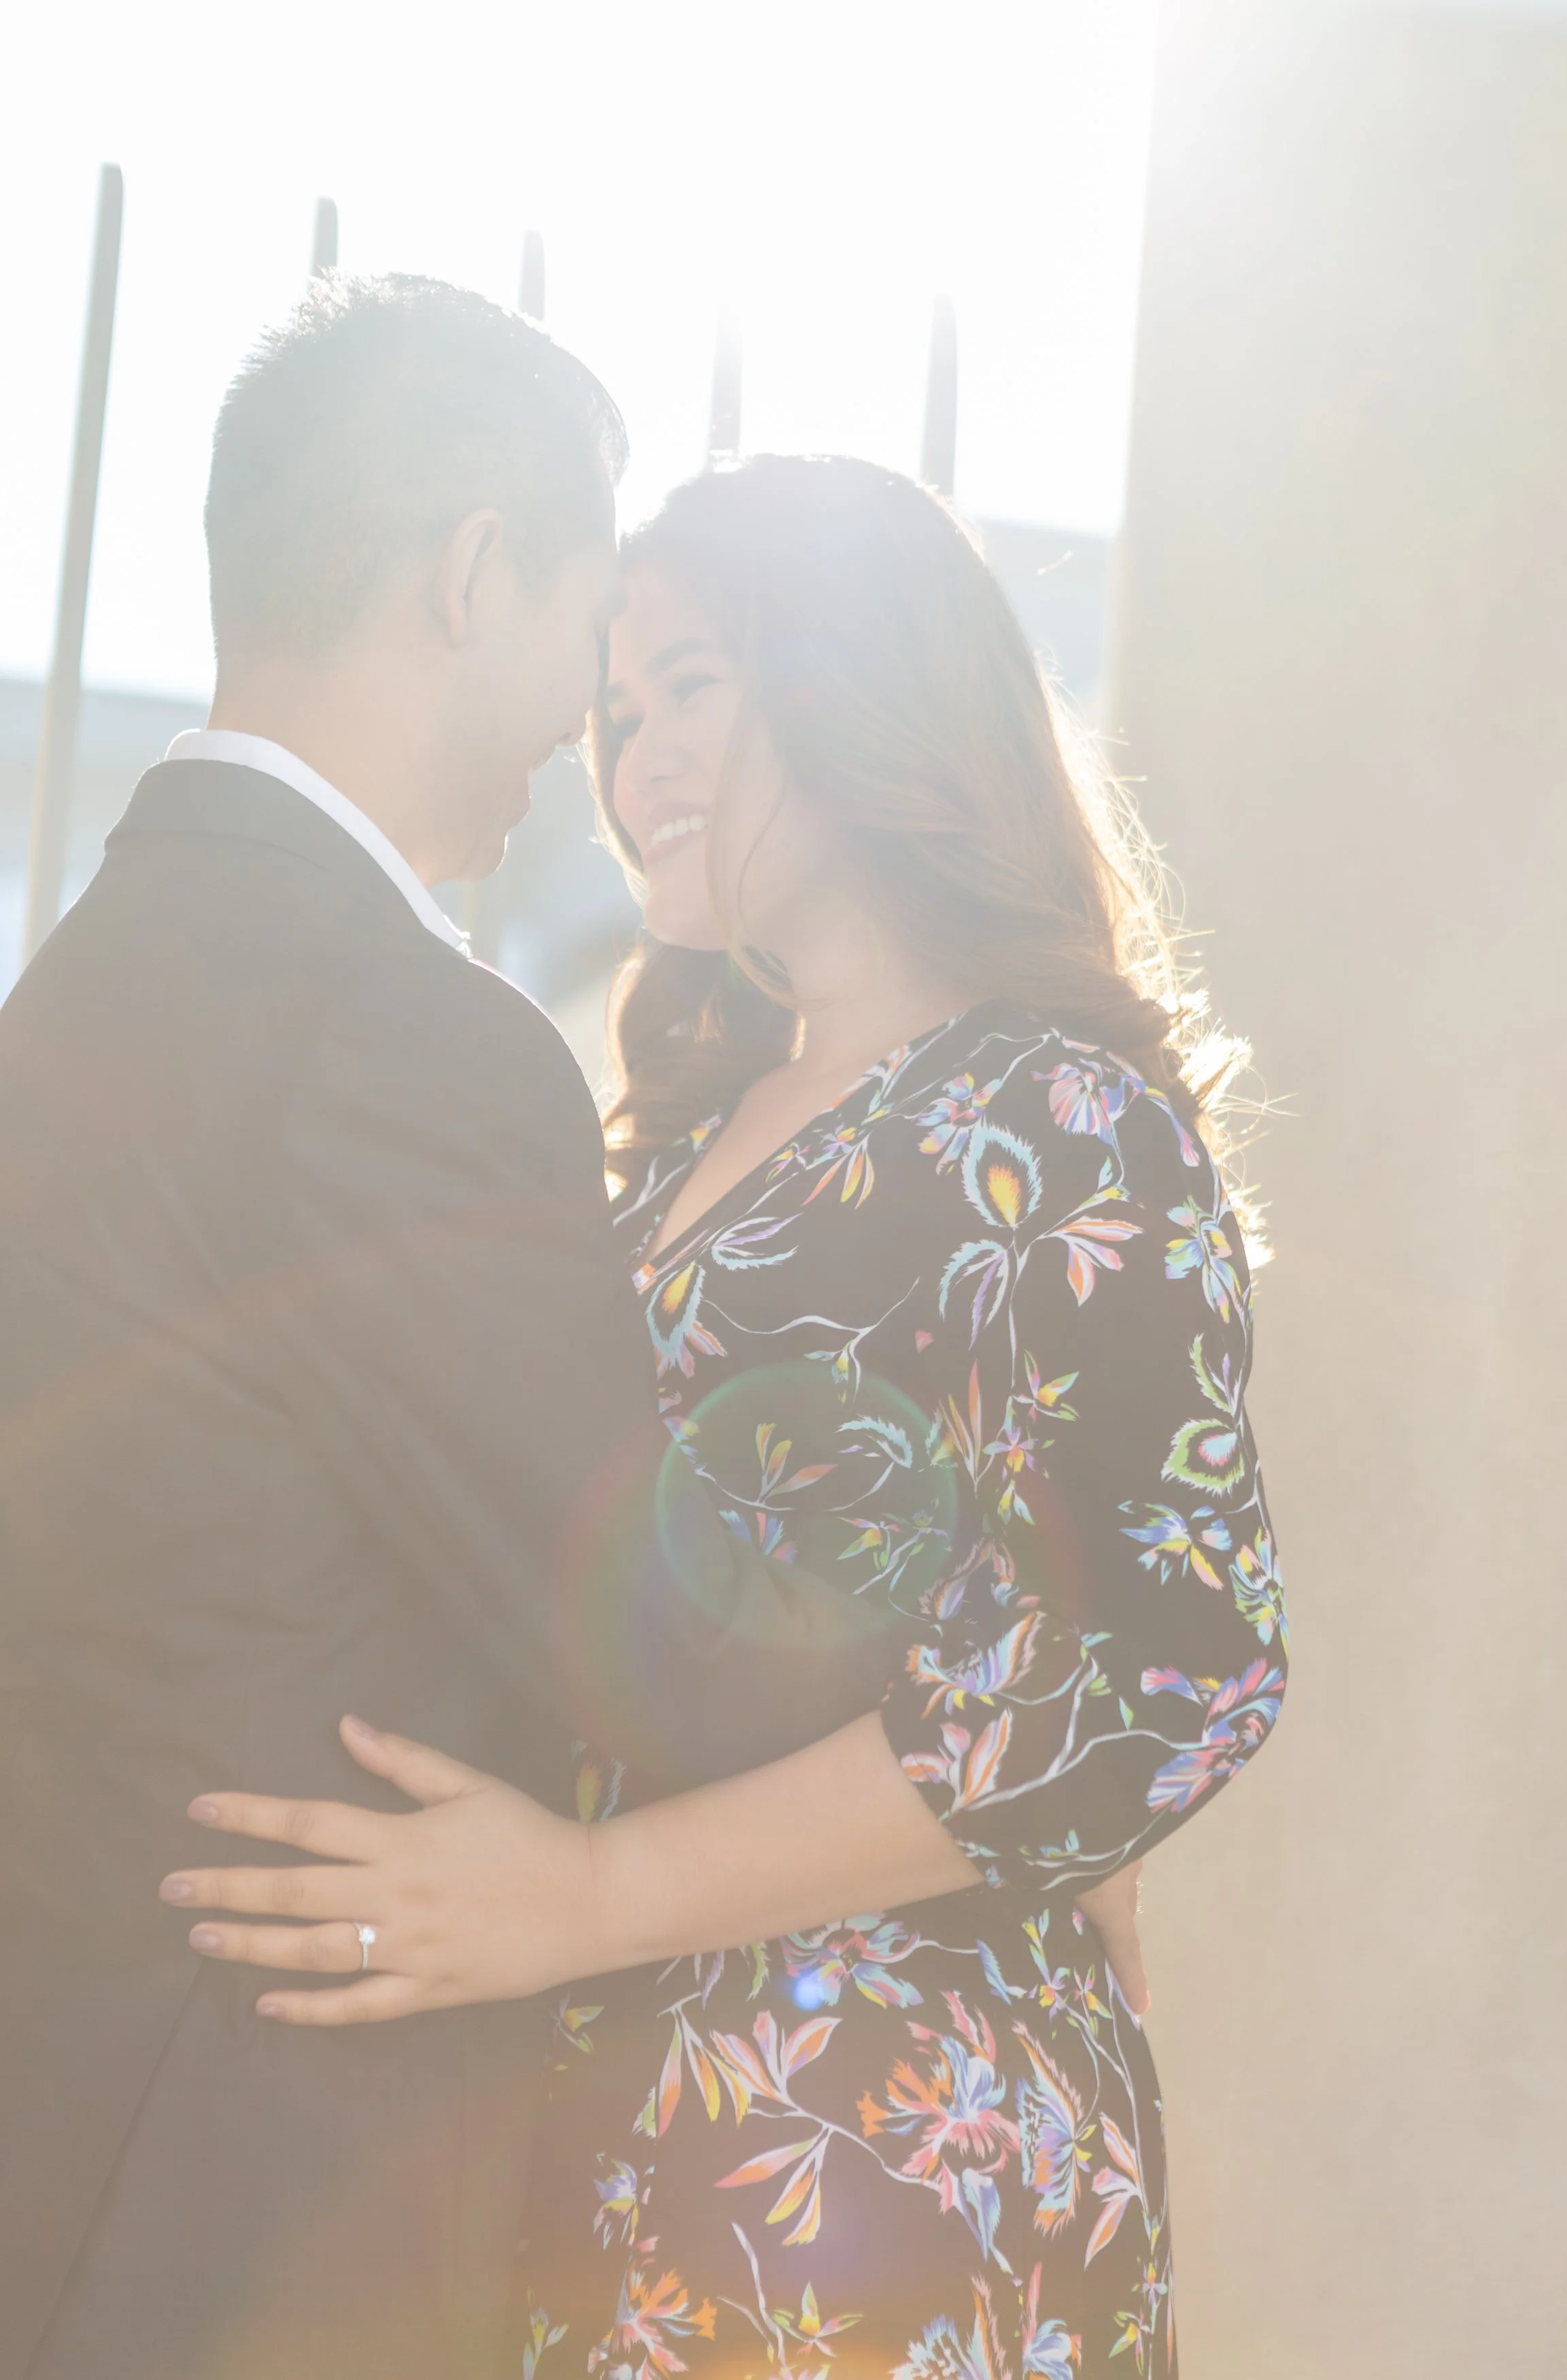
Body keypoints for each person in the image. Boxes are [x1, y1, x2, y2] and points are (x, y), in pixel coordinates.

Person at [167, 458, 1288, 2380]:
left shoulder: (1055, 1113)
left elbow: (1159, 1665)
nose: (634, 761)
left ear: (865, 675)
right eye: (614, 716)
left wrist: (587, 1893)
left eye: (690, 684)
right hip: (611, 2142)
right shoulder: (671, 1139)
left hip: (892, 2158)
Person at [0, 284, 897, 2380]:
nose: (591, 738)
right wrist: (1012, 1609)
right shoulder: (394, 1026)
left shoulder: (76, 992)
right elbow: (680, 1657)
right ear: (475, 571)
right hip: (253, 2208)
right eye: (589, 640)